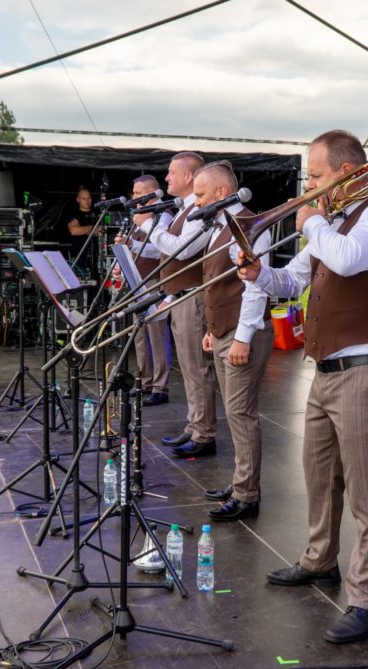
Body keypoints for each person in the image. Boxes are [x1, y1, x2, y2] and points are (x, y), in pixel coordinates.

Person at [238, 130, 368, 644]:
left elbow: (347, 259)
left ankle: (367, 600)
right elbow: (292, 281)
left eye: (314, 176)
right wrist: (257, 275)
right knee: (319, 478)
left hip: (367, 372)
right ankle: (320, 560)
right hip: (325, 373)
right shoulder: (331, 224)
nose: (308, 186)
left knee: (367, 492)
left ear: (345, 171)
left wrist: (312, 220)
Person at [188, 162, 274, 521]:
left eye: (201, 194)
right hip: (226, 330)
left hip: (244, 333)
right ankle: (241, 480)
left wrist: (241, 338)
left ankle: (247, 494)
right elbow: (219, 282)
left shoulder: (249, 226)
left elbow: (254, 288)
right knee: (234, 413)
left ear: (222, 193)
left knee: (241, 413)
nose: (195, 202)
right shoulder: (220, 225)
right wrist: (213, 329)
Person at [150, 152, 218, 457]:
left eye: (171, 172)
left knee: (196, 368)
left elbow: (182, 250)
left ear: (189, 176)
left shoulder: (199, 210)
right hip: (180, 296)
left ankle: (204, 433)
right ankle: (194, 425)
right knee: (189, 369)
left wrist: (152, 228)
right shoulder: (184, 209)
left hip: (193, 298)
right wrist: (168, 295)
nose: (166, 178)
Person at [122, 174, 173, 407]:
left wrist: (132, 245)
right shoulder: (139, 216)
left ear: (152, 193)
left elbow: (161, 250)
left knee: (157, 334)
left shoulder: (163, 216)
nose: (134, 197)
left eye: (139, 193)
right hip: (139, 281)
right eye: (133, 192)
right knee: (140, 334)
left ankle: (160, 386)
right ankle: (144, 381)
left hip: (154, 281)